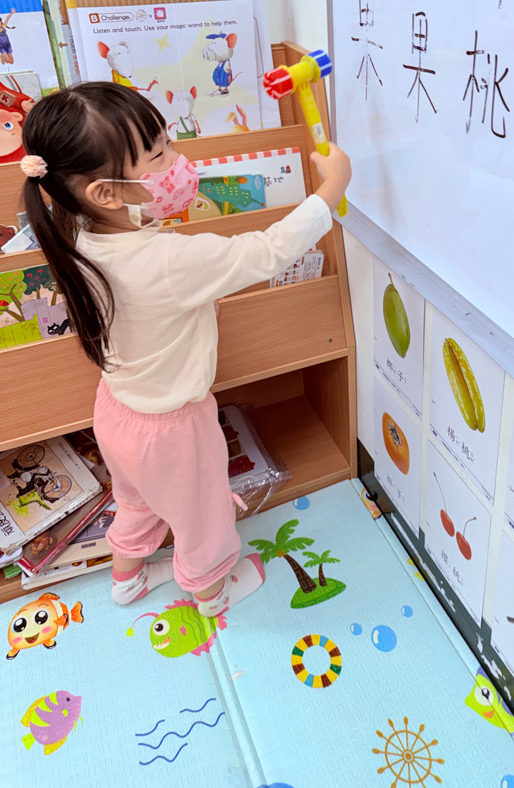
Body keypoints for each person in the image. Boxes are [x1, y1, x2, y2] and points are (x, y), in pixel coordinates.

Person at [19, 82, 351, 616]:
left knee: (135, 500)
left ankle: (127, 579)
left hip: (116, 412)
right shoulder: (170, 259)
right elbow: (267, 251)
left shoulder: (74, 235)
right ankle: (212, 594)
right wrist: (331, 188)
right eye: (159, 155)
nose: (178, 160)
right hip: (174, 429)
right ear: (104, 193)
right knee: (204, 515)